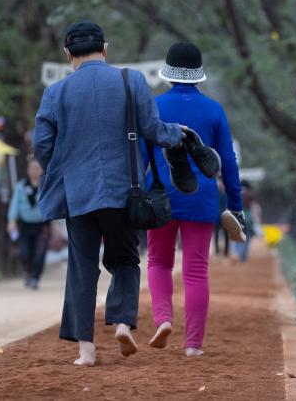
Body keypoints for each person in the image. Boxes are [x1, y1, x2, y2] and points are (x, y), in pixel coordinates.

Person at [32, 20, 185, 367]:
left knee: (82, 266)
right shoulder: (131, 81)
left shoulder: (55, 93)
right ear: (105, 49)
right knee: (125, 259)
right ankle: (120, 324)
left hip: (78, 194)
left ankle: (85, 349)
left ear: (68, 54)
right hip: (123, 192)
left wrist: (64, 167)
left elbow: (42, 145)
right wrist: (178, 133)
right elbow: (152, 129)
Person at [144, 42, 243, 356]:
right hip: (201, 199)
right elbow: (227, 162)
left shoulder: (153, 105)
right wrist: (235, 207)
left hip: (159, 195)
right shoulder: (214, 110)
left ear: (168, 73)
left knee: (159, 261)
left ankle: (163, 319)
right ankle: (193, 346)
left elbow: (138, 155)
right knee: (196, 269)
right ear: (198, 75)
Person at [7, 157, 49, 289]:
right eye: (32, 168)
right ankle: (28, 272)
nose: (35, 171)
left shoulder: (46, 185)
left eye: (37, 168)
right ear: (28, 170)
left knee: (40, 252)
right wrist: (12, 220)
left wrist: (54, 224)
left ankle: (35, 277)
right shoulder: (21, 186)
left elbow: (51, 204)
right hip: (24, 225)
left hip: (42, 225)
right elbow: (14, 205)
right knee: (24, 251)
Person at [230, 181, 262, 264]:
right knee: (246, 240)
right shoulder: (251, 196)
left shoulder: (235, 194)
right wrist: (256, 223)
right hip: (248, 219)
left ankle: (235, 253)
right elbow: (256, 209)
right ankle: (243, 258)